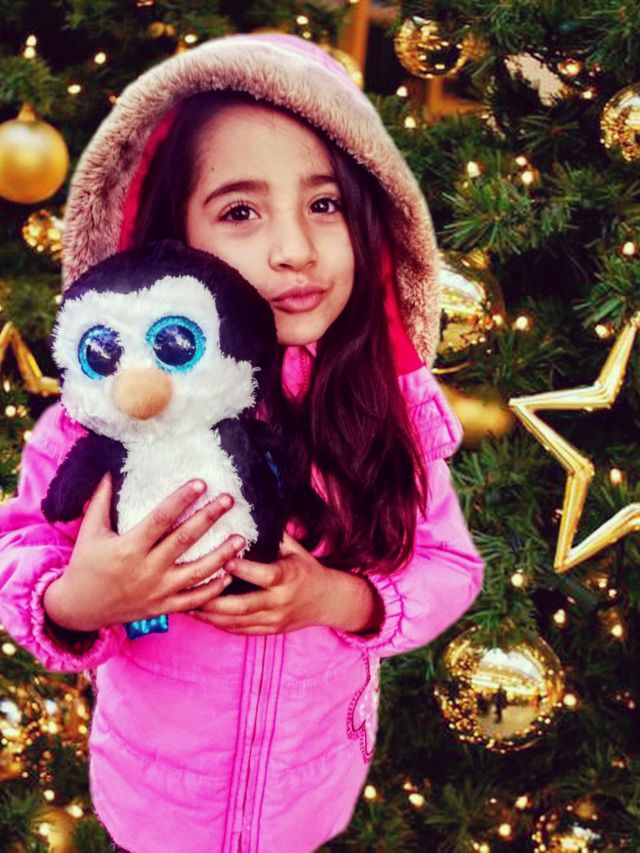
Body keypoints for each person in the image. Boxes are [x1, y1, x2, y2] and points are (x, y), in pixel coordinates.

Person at [0, 33, 484, 853]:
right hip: (153, 803)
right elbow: (20, 552)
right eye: (240, 211)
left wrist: (336, 598)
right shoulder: (108, 414)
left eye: (324, 205)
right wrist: (82, 598)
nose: (295, 250)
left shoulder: (385, 405)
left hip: (312, 795)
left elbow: (449, 564)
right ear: (172, 237)